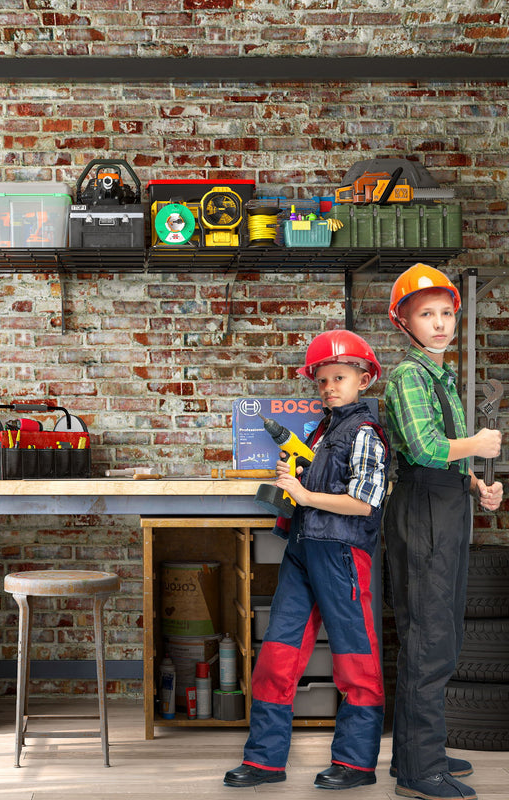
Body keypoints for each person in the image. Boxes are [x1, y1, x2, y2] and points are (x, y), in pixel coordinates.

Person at [224, 329, 390, 790]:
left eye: (340, 377)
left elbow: (364, 504)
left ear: (364, 380)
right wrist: (296, 476)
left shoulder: (365, 434)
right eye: (322, 380)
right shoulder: (321, 431)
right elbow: (315, 488)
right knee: (277, 655)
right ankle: (264, 761)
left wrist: (305, 493)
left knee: (355, 659)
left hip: (342, 555)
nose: (329, 387)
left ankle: (355, 764)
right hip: (302, 550)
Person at [383, 263, 503, 800]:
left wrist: (478, 486)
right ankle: (419, 770)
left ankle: (417, 749)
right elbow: (425, 448)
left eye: (446, 313)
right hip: (423, 512)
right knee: (428, 641)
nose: (439, 323)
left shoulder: (440, 376)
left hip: (448, 505)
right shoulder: (409, 376)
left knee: (444, 637)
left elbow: (447, 457)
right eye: (426, 314)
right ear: (403, 322)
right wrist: (477, 445)